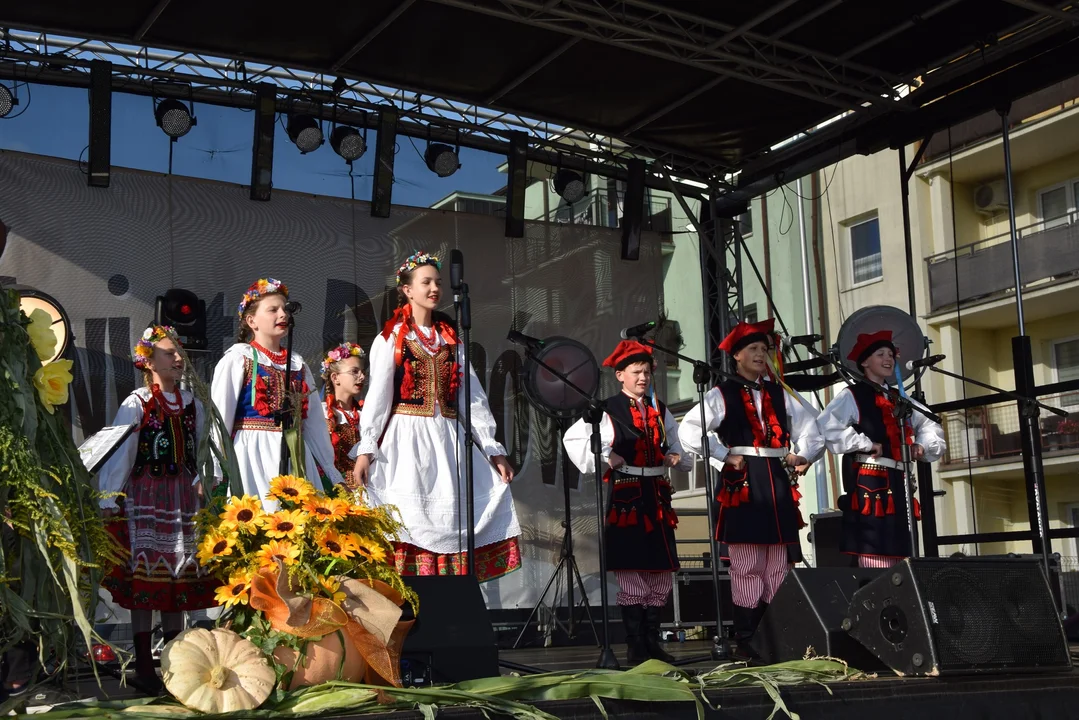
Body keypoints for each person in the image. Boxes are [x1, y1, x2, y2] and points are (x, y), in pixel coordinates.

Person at [349, 251, 521, 581]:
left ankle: (450, 601)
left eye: (438, 283)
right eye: (425, 282)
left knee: (454, 513)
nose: (434, 288)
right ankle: (415, 602)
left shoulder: (451, 339)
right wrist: (367, 449)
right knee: (412, 515)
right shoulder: (392, 338)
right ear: (406, 290)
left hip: (448, 439)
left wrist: (492, 448)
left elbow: (471, 397)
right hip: (407, 438)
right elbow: (379, 398)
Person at [678, 318, 823, 657]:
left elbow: (812, 427)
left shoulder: (779, 391)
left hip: (774, 475)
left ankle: (779, 634)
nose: (761, 355)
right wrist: (721, 455)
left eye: (765, 349)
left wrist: (802, 455)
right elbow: (689, 431)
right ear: (737, 356)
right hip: (742, 477)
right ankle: (748, 637)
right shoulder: (720, 392)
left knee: (778, 562)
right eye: (753, 350)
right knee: (747, 563)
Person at [97, 326, 217, 692]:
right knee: (147, 579)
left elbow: (201, 450)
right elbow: (121, 453)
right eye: (169, 352)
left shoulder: (193, 403)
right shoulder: (136, 402)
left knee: (176, 578)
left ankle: (175, 663)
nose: (179, 358)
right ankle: (144, 667)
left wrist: (205, 479)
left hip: (182, 498)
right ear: (148, 361)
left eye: (180, 352)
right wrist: (108, 497)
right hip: (147, 497)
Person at [563, 340, 691, 665]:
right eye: (636, 372)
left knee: (660, 571)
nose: (643, 377)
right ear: (620, 375)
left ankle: (652, 640)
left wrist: (676, 455)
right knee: (633, 569)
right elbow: (574, 439)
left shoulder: (660, 410)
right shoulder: (608, 409)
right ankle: (635, 644)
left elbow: (678, 443)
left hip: (657, 495)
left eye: (647, 372)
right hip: (628, 495)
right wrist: (607, 454)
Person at [816, 330, 946, 568]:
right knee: (874, 548)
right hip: (870, 481)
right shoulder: (851, 395)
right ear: (865, 361)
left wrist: (922, 445)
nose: (888, 359)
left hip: (899, 481)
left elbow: (930, 423)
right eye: (880, 354)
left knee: (902, 548)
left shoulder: (900, 398)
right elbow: (826, 427)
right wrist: (864, 443)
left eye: (890, 354)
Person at [210, 278, 343, 505]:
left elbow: (314, 424)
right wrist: (215, 467)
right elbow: (220, 417)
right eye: (273, 310)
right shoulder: (238, 358)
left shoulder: (297, 363)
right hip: (253, 454)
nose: (283, 315)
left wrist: (329, 470)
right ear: (252, 321)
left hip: (296, 453)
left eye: (284, 309)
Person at [321, 342, 366, 488]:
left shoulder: (364, 414)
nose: (362, 377)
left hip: (365, 490)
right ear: (335, 378)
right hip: (334, 490)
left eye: (363, 372)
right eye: (354, 371)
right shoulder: (322, 414)